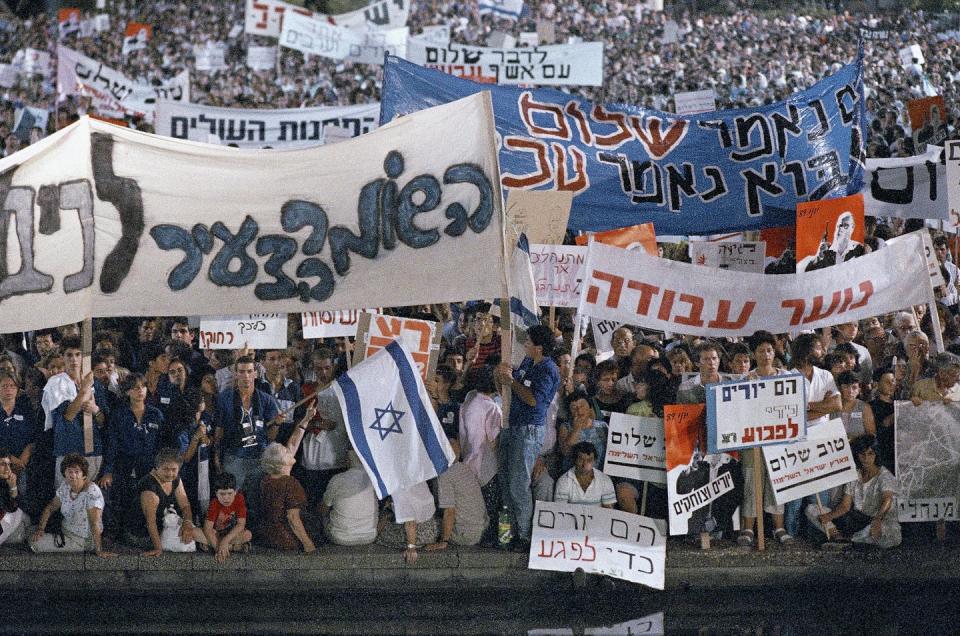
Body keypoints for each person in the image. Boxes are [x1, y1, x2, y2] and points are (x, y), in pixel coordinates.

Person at [494, 324, 560, 552]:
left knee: (518, 484)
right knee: (505, 479)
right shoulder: (528, 363)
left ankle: (525, 535)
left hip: (529, 430)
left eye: (529, 342)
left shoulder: (548, 370)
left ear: (539, 347)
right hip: (513, 426)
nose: (525, 345)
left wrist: (511, 381)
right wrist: (503, 375)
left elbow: (533, 400)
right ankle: (509, 530)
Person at [738, 331, 792, 547]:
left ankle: (778, 527)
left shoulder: (787, 378)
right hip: (753, 441)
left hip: (779, 440)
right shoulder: (746, 380)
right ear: (754, 354)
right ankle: (748, 528)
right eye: (761, 351)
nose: (766, 354)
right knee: (751, 481)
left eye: (769, 350)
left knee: (777, 481)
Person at [212, 355, 280, 516]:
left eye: (250, 371)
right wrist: (216, 457)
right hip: (233, 457)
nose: (246, 376)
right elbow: (219, 431)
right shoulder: (225, 398)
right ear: (235, 374)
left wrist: (276, 423)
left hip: (259, 458)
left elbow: (271, 436)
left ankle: (253, 534)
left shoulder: (266, 400)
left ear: (256, 374)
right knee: (230, 502)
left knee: (257, 501)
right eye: (241, 372)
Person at [805, 435, 901, 549]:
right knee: (811, 509)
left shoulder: (884, 475)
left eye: (870, 454)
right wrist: (829, 516)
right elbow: (845, 506)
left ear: (876, 454)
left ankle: (846, 541)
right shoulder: (855, 474)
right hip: (857, 521)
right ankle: (839, 537)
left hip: (879, 520)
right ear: (857, 455)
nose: (866, 458)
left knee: (889, 535)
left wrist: (877, 520)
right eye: (862, 454)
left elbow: (888, 499)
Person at [100, 373, 164, 536]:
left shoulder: (155, 414)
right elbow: (112, 444)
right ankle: (120, 534)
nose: (140, 391)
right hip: (124, 463)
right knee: (122, 498)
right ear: (127, 391)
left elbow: (161, 443)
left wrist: (160, 468)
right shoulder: (119, 414)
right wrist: (108, 470)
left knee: (147, 499)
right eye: (135, 388)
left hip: (149, 465)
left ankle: (145, 533)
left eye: (143, 387)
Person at [42, 336, 110, 487]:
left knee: (91, 501)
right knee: (67, 501)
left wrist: (95, 410)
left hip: (93, 449)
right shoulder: (56, 382)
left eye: (78, 355)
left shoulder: (95, 384)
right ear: (62, 357)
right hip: (68, 450)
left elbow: (102, 420)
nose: (74, 360)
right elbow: (68, 415)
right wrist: (84, 390)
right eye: (69, 355)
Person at [257, 402, 318, 553]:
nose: (289, 450)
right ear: (282, 463)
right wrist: (307, 543)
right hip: (285, 538)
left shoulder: (267, 479)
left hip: (267, 536)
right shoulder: (290, 484)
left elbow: (292, 443)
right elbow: (292, 517)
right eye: (286, 452)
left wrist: (306, 419)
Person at [30, 453, 112, 556]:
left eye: (77, 472)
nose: (73, 475)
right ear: (64, 473)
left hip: (81, 539)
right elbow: (50, 507)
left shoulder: (92, 492)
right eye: (70, 472)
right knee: (32, 531)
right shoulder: (66, 486)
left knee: (35, 544)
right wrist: (40, 529)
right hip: (65, 531)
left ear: (84, 474)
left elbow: (94, 523)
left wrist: (99, 550)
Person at [125, 448, 203, 555]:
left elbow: (185, 505)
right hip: (141, 535)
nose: (170, 473)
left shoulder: (175, 479)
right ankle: (224, 546)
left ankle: (225, 546)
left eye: (174, 469)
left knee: (192, 531)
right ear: (157, 467)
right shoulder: (150, 488)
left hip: (163, 526)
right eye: (166, 469)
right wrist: (158, 548)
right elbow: (150, 523)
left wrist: (187, 523)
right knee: (193, 536)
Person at [457, 364, 501, 546]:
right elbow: (493, 441)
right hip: (486, 463)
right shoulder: (492, 408)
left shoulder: (469, 400)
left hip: (468, 458)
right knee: (490, 505)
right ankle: (488, 538)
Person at [425, 437, 488, 549]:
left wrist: (444, 541)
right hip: (480, 531)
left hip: (464, 534)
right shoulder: (464, 469)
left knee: (413, 531)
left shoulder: (445, 474)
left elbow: (449, 511)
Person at [319, 450, 378, 546]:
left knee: (323, 516)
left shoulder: (338, 479)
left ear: (348, 461)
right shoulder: (373, 480)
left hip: (341, 537)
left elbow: (323, 508)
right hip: (369, 536)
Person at [199, 471, 252, 562]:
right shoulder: (214, 503)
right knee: (195, 532)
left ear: (235, 492)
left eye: (229, 493)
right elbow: (207, 528)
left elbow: (240, 524)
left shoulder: (239, 499)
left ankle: (215, 546)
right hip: (215, 534)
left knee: (247, 535)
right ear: (216, 493)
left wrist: (225, 542)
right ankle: (234, 548)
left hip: (230, 534)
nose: (226, 498)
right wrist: (219, 549)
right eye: (222, 494)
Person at [553, 441, 615, 508]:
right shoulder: (564, 481)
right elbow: (560, 509)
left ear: (594, 461)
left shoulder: (604, 480)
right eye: (581, 459)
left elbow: (609, 511)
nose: (584, 464)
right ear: (575, 460)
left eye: (589, 460)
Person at [836, 371, 876, 440]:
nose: (850, 391)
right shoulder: (832, 407)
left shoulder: (864, 408)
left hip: (858, 449)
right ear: (839, 388)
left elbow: (871, 434)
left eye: (854, 387)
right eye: (846, 387)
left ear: (859, 390)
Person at [0, 448, 28, 546]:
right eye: (3, 464)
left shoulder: (7, 482)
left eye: (9, 465)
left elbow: (13, 508)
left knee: (18, 511)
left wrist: (13, 487)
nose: (8, 469)